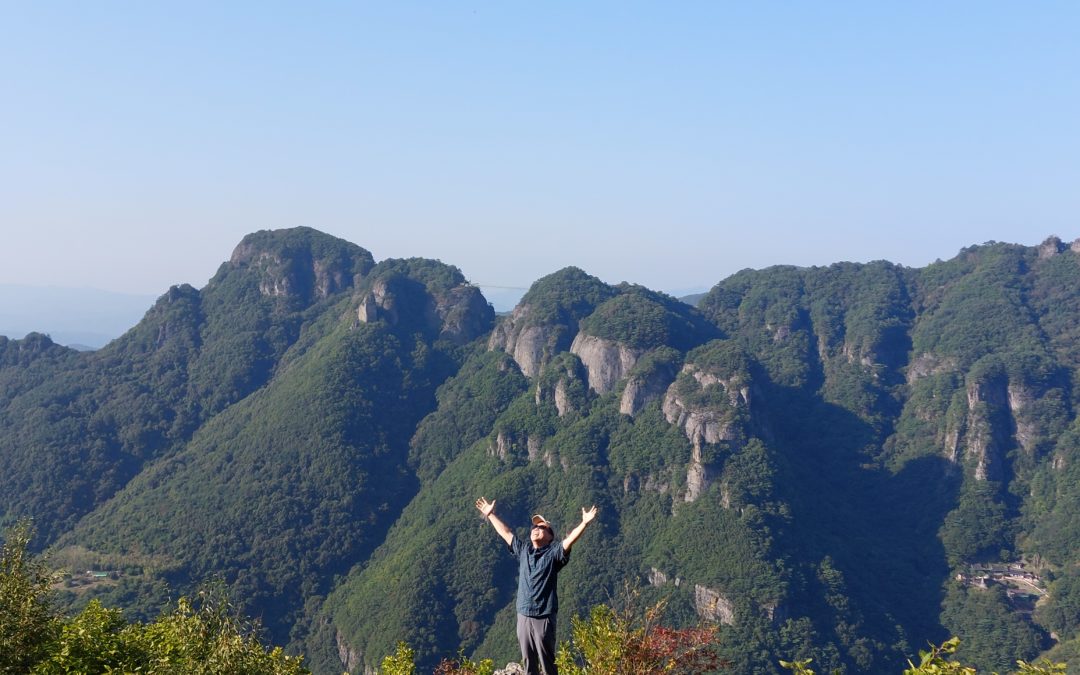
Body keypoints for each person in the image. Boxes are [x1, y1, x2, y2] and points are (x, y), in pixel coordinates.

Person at [475, 497, 597, 675]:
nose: (536, 529)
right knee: (528, 661)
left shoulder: (554, 554)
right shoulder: (524, 550)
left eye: (542, 527)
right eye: (534, 527)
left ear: (550, 536)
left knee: (546, 661)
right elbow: (506, 533)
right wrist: (490, 514)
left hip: (543, 615)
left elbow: (569, 541)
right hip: (523, 613)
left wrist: (584, 523)